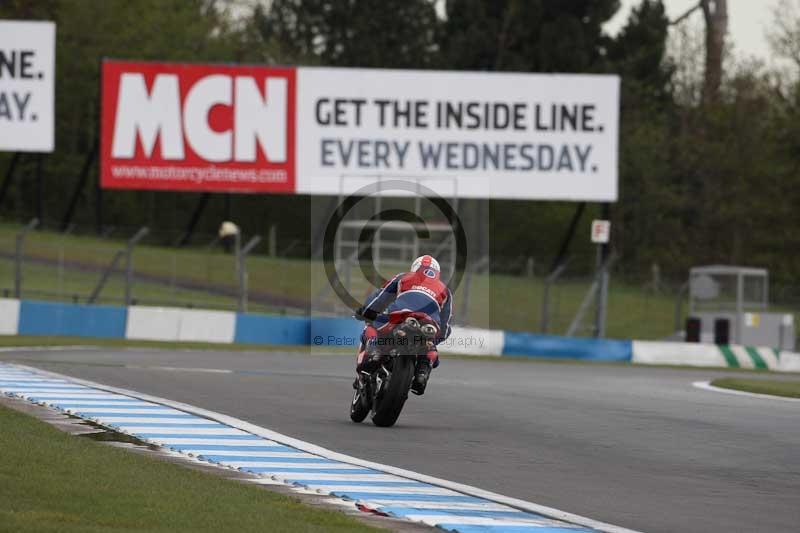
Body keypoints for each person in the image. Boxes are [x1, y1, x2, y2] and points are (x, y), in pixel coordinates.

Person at [354, 255, 453, 395]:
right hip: (429, 324)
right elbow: (446, 325)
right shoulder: (445, 290)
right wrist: (436, 340)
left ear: (415, 267)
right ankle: (422, 372)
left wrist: (365, 311)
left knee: (371, 327)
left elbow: (380, 297)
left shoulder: (403, 277)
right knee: (430, 346)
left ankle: (376, 352)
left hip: (401, 316)